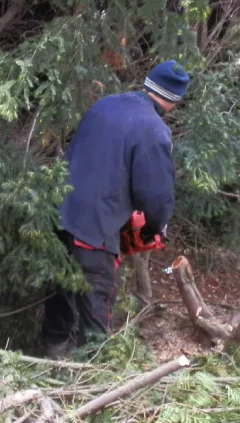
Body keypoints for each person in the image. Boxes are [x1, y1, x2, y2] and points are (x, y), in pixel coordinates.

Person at [41, 60, 188, 357]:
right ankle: (94, 378)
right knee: (96, 302)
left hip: (58, 211)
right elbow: (155, 194)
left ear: (148, 82)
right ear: (175, 100)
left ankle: (51, 357)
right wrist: (154, 227)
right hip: (94, 229)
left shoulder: (106, 104)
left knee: (60, 290)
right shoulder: (153, 130)